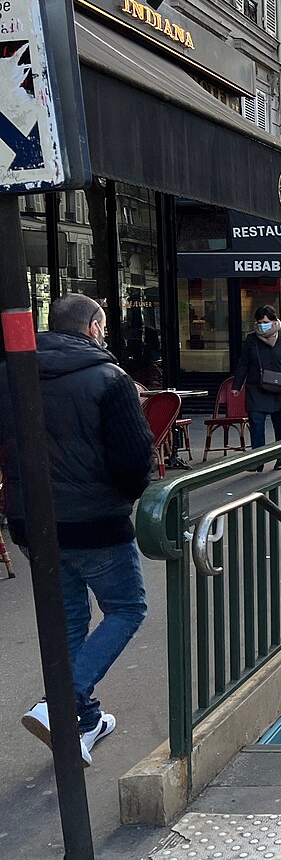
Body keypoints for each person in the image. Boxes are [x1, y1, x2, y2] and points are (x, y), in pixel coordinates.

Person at [0, 294, 153, 766]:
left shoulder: (10, 374)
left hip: (32, 524)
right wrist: (122, 500)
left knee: (67, 621)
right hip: (96, 523)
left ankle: (81, 720)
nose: (105, 335)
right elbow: (134, 462)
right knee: (127, 608)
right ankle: (61, 702)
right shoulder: (110, 379)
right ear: (91, 328)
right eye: (104, 327)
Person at [232, 305, 281, 473]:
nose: (262, 325)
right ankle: (258, 459)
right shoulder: (251, 339)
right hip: (257, 388)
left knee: (280, 426)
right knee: (256, 425)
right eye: (259, 322)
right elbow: (244, 363)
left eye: (266, 321)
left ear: (274, 321)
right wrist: (237, 385)